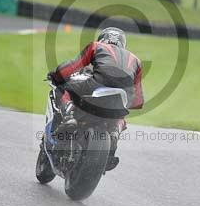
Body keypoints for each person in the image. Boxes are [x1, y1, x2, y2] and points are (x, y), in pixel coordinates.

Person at [47, 27, 144, 169]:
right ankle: (114, 133)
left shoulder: (97, 46)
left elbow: (73, 66)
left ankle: (69, 117)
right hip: (122, 95)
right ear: (123, 44)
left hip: (97, 84)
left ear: (103, 38)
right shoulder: (136, 60)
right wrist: (131, 102)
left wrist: (57, 76)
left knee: (65, 89)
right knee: (121, 113)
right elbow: (138, 100)